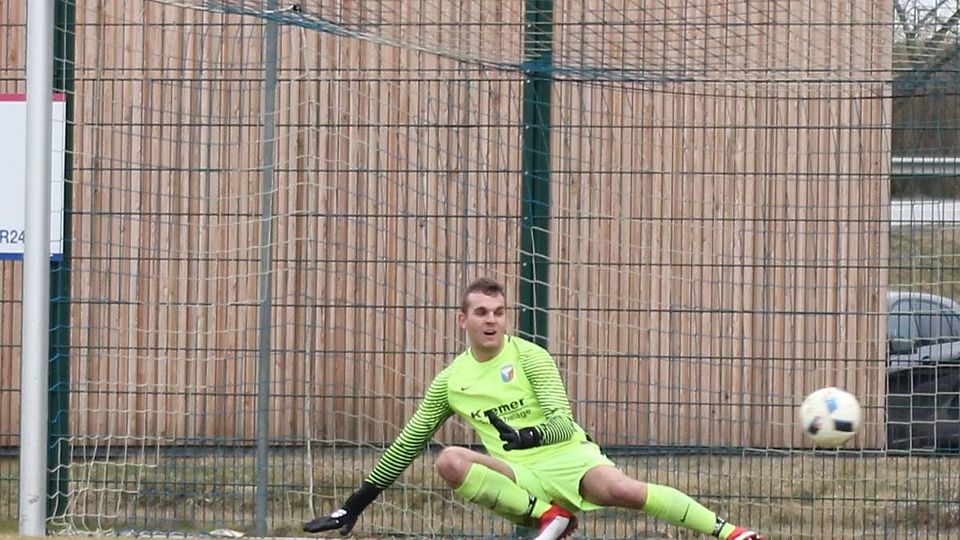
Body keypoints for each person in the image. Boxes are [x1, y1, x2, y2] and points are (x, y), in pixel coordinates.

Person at [304, 277, 765, 540]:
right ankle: (552, 518)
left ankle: (732, 534)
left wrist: (529, 435)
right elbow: (407, 445)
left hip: (567, 456)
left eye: (498, 312)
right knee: (449, 460)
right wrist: (352, 506)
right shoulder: (450, 381)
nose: (491, 320)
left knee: (623, 490)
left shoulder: (530, 356)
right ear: (463, 320)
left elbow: (563, 422)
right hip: (520, 478)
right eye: (481, 312)